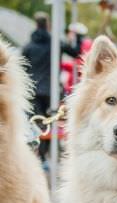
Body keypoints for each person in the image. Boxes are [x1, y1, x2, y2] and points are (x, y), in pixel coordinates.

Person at [22, 12, 82, 167]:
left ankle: (40, 158)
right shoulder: (55, 44)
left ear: (36, 25)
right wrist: (79, 36)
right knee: (52, 124)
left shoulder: (28, 47)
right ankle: (46, 157)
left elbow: (21, 68)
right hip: (52, 91)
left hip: (34, 91)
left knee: (37, 124)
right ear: (48, 25)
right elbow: (76, 52)